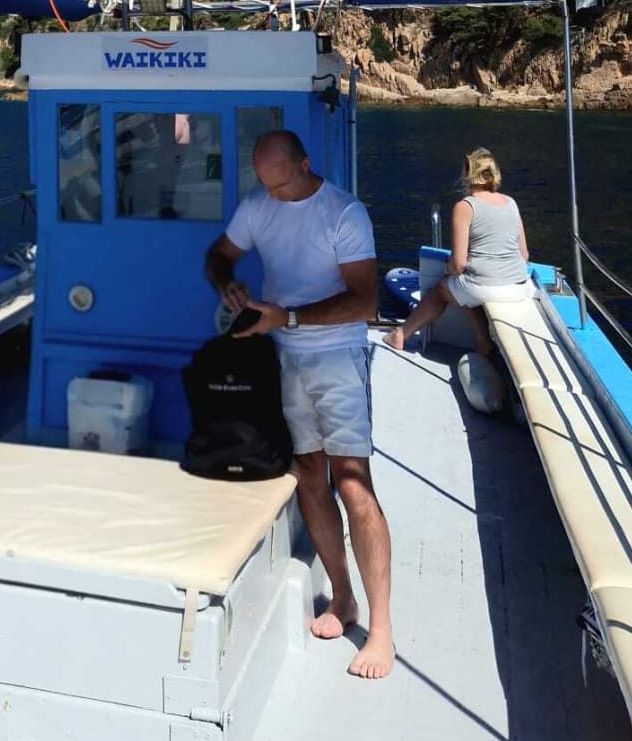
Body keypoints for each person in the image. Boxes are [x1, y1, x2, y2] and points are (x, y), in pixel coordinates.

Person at [204, 130, 394, 680]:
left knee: (354, 484)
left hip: (336, 358)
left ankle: (380, 629)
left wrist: (285, 318)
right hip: (285, 359)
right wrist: (229, 286)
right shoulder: (258, 205)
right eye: (266, 186)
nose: (275, 197)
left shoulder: (344, 213)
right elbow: (220, 255)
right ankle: (343, 597)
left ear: (305, 164)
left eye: (283, 184)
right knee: (309, 475)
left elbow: (365, 300)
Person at [384, 147, 530, 355]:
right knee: (464, 289)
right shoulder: (511, 203)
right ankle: (483, 342)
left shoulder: (466, 207)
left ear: (468, 173)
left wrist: (449, 273)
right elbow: (524, 255)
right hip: (517, 286)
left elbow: (458, 264)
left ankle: (400, 335)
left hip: (486, 286)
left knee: (444, 288)